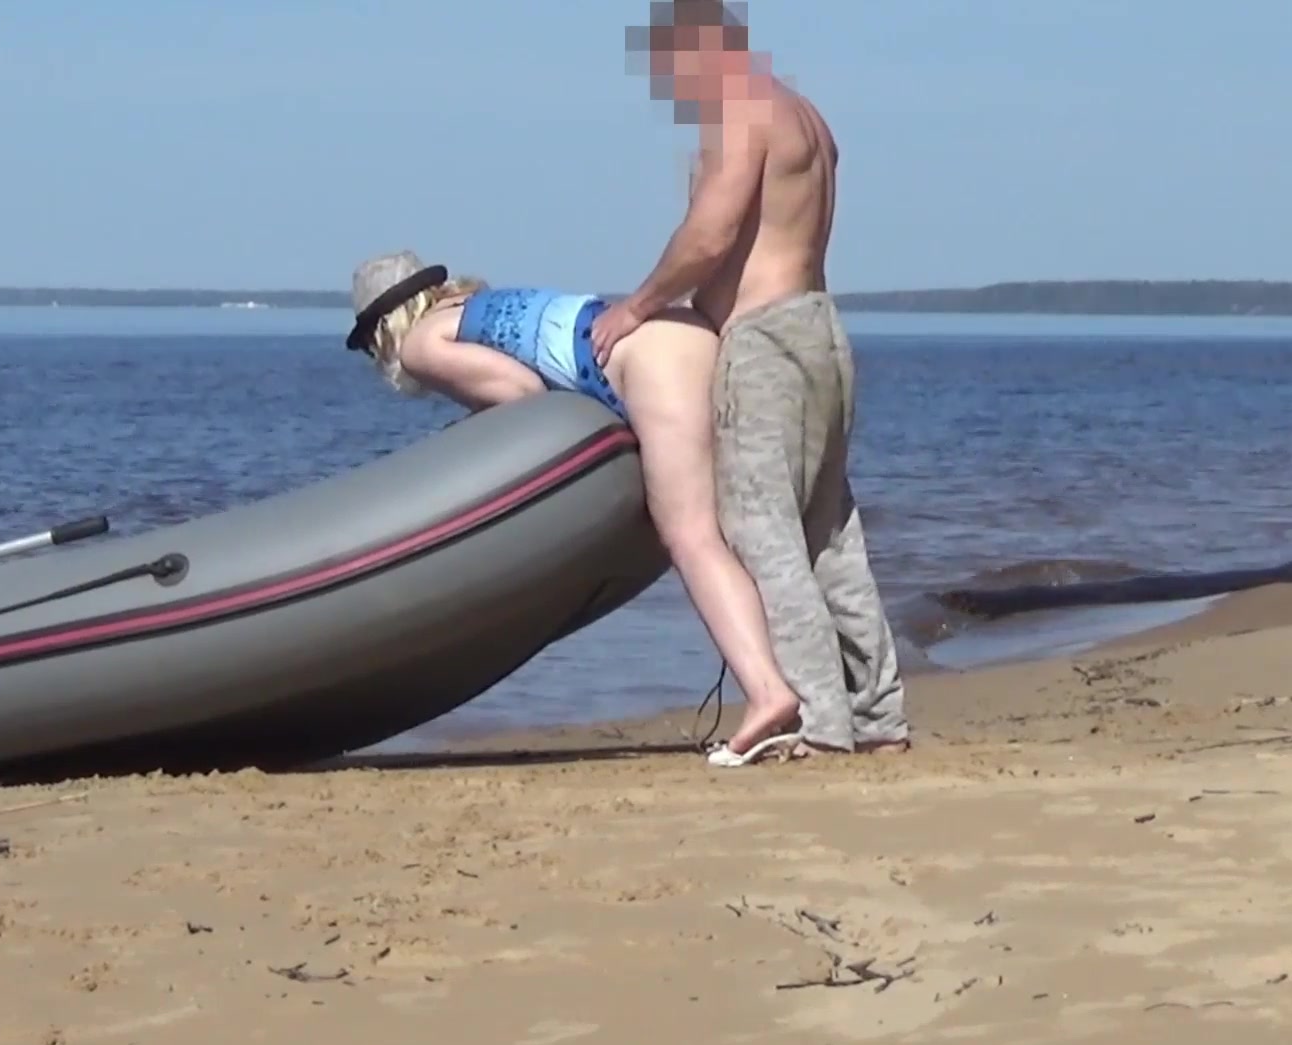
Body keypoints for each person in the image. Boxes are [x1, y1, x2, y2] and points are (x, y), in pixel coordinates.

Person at [589, 0, 908, 763]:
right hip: (820, 331)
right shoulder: (805, 117)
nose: (671, 84)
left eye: (671, 65)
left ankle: (820, 721)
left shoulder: (740, 110)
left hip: (766, 343)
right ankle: (878, 716)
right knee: (829, 535)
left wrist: (636, 307)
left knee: (762, 533)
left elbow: (711, 234)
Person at [344, 251, 802, 755]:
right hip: (682, 334)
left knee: (691, 537)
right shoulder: (471, 307)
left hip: (648, 363)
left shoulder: (421, 345)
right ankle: (803, 691)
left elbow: (523, 393)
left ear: (384, 328)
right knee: (743, 530)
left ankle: (768, 694)